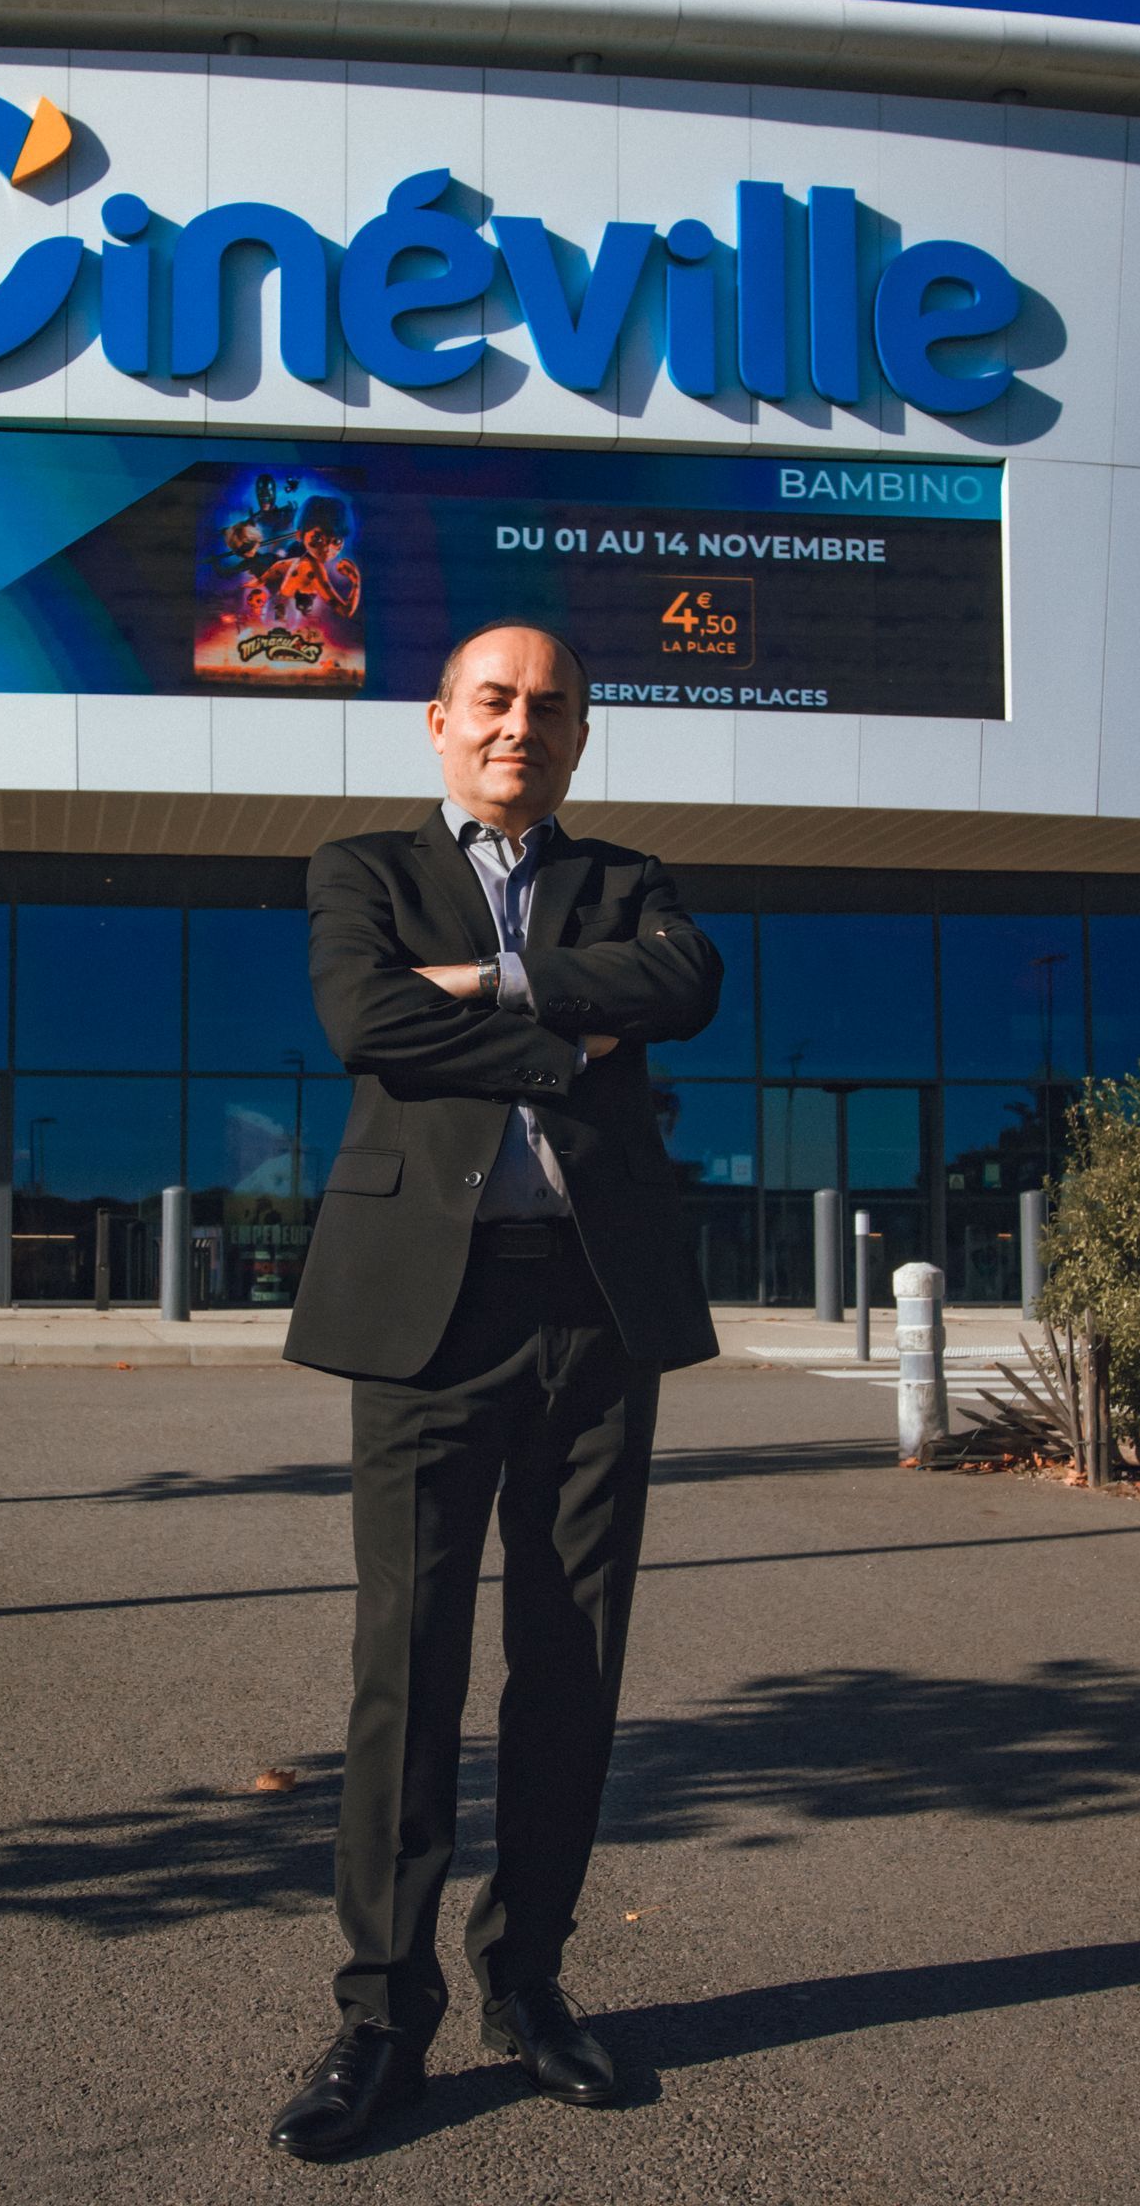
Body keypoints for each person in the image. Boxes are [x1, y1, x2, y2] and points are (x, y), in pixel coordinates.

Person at [269, 621, 723, 2162]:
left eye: (549, 707)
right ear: (440, 723)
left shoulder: (630, 882)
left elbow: (688, 985)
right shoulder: (361, 873)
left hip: (596, 1307)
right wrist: (564, 1033)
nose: (520, 724)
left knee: (572, 1657)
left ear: (579, 739)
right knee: (409, 1665)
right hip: (428, 1318)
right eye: (494, 701)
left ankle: (527, 1980)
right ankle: (382, 2018)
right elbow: (364, 1020)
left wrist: (493, 980)